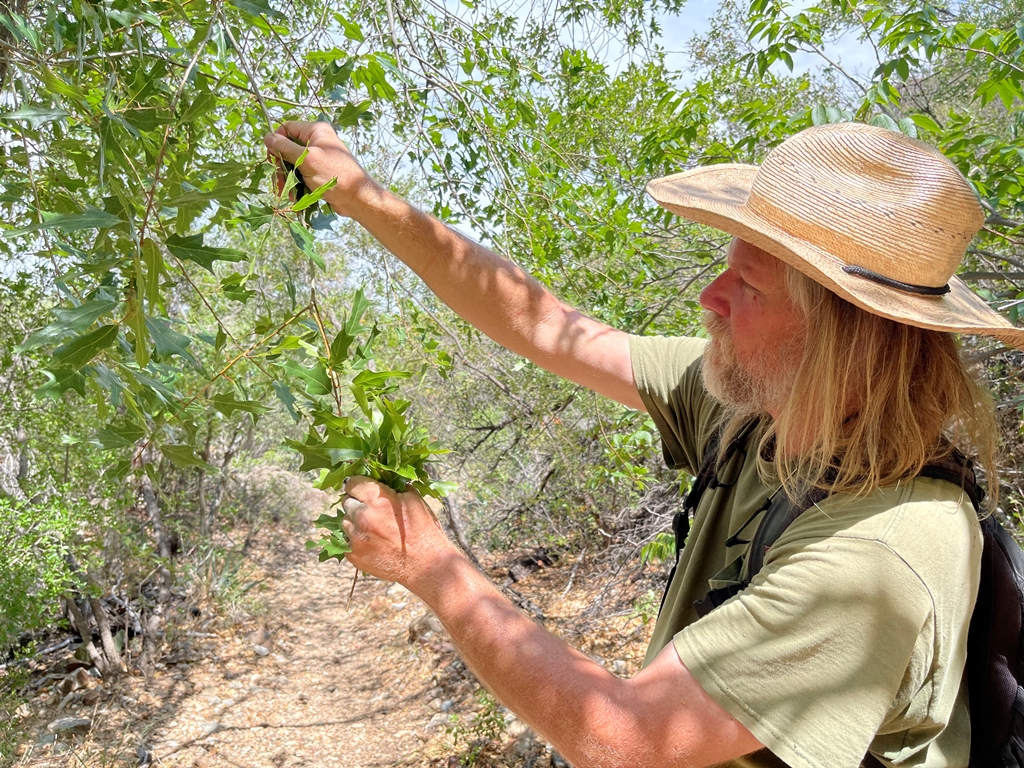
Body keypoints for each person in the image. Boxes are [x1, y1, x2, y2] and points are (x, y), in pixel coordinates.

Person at [263, 121, 1024, 767]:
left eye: (750, 287)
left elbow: (624, 736)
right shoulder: (767, 407)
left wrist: (428, 564)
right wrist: (364, 197)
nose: (710, 297)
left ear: (841, 339)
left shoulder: (880, 552)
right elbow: (543, 324)